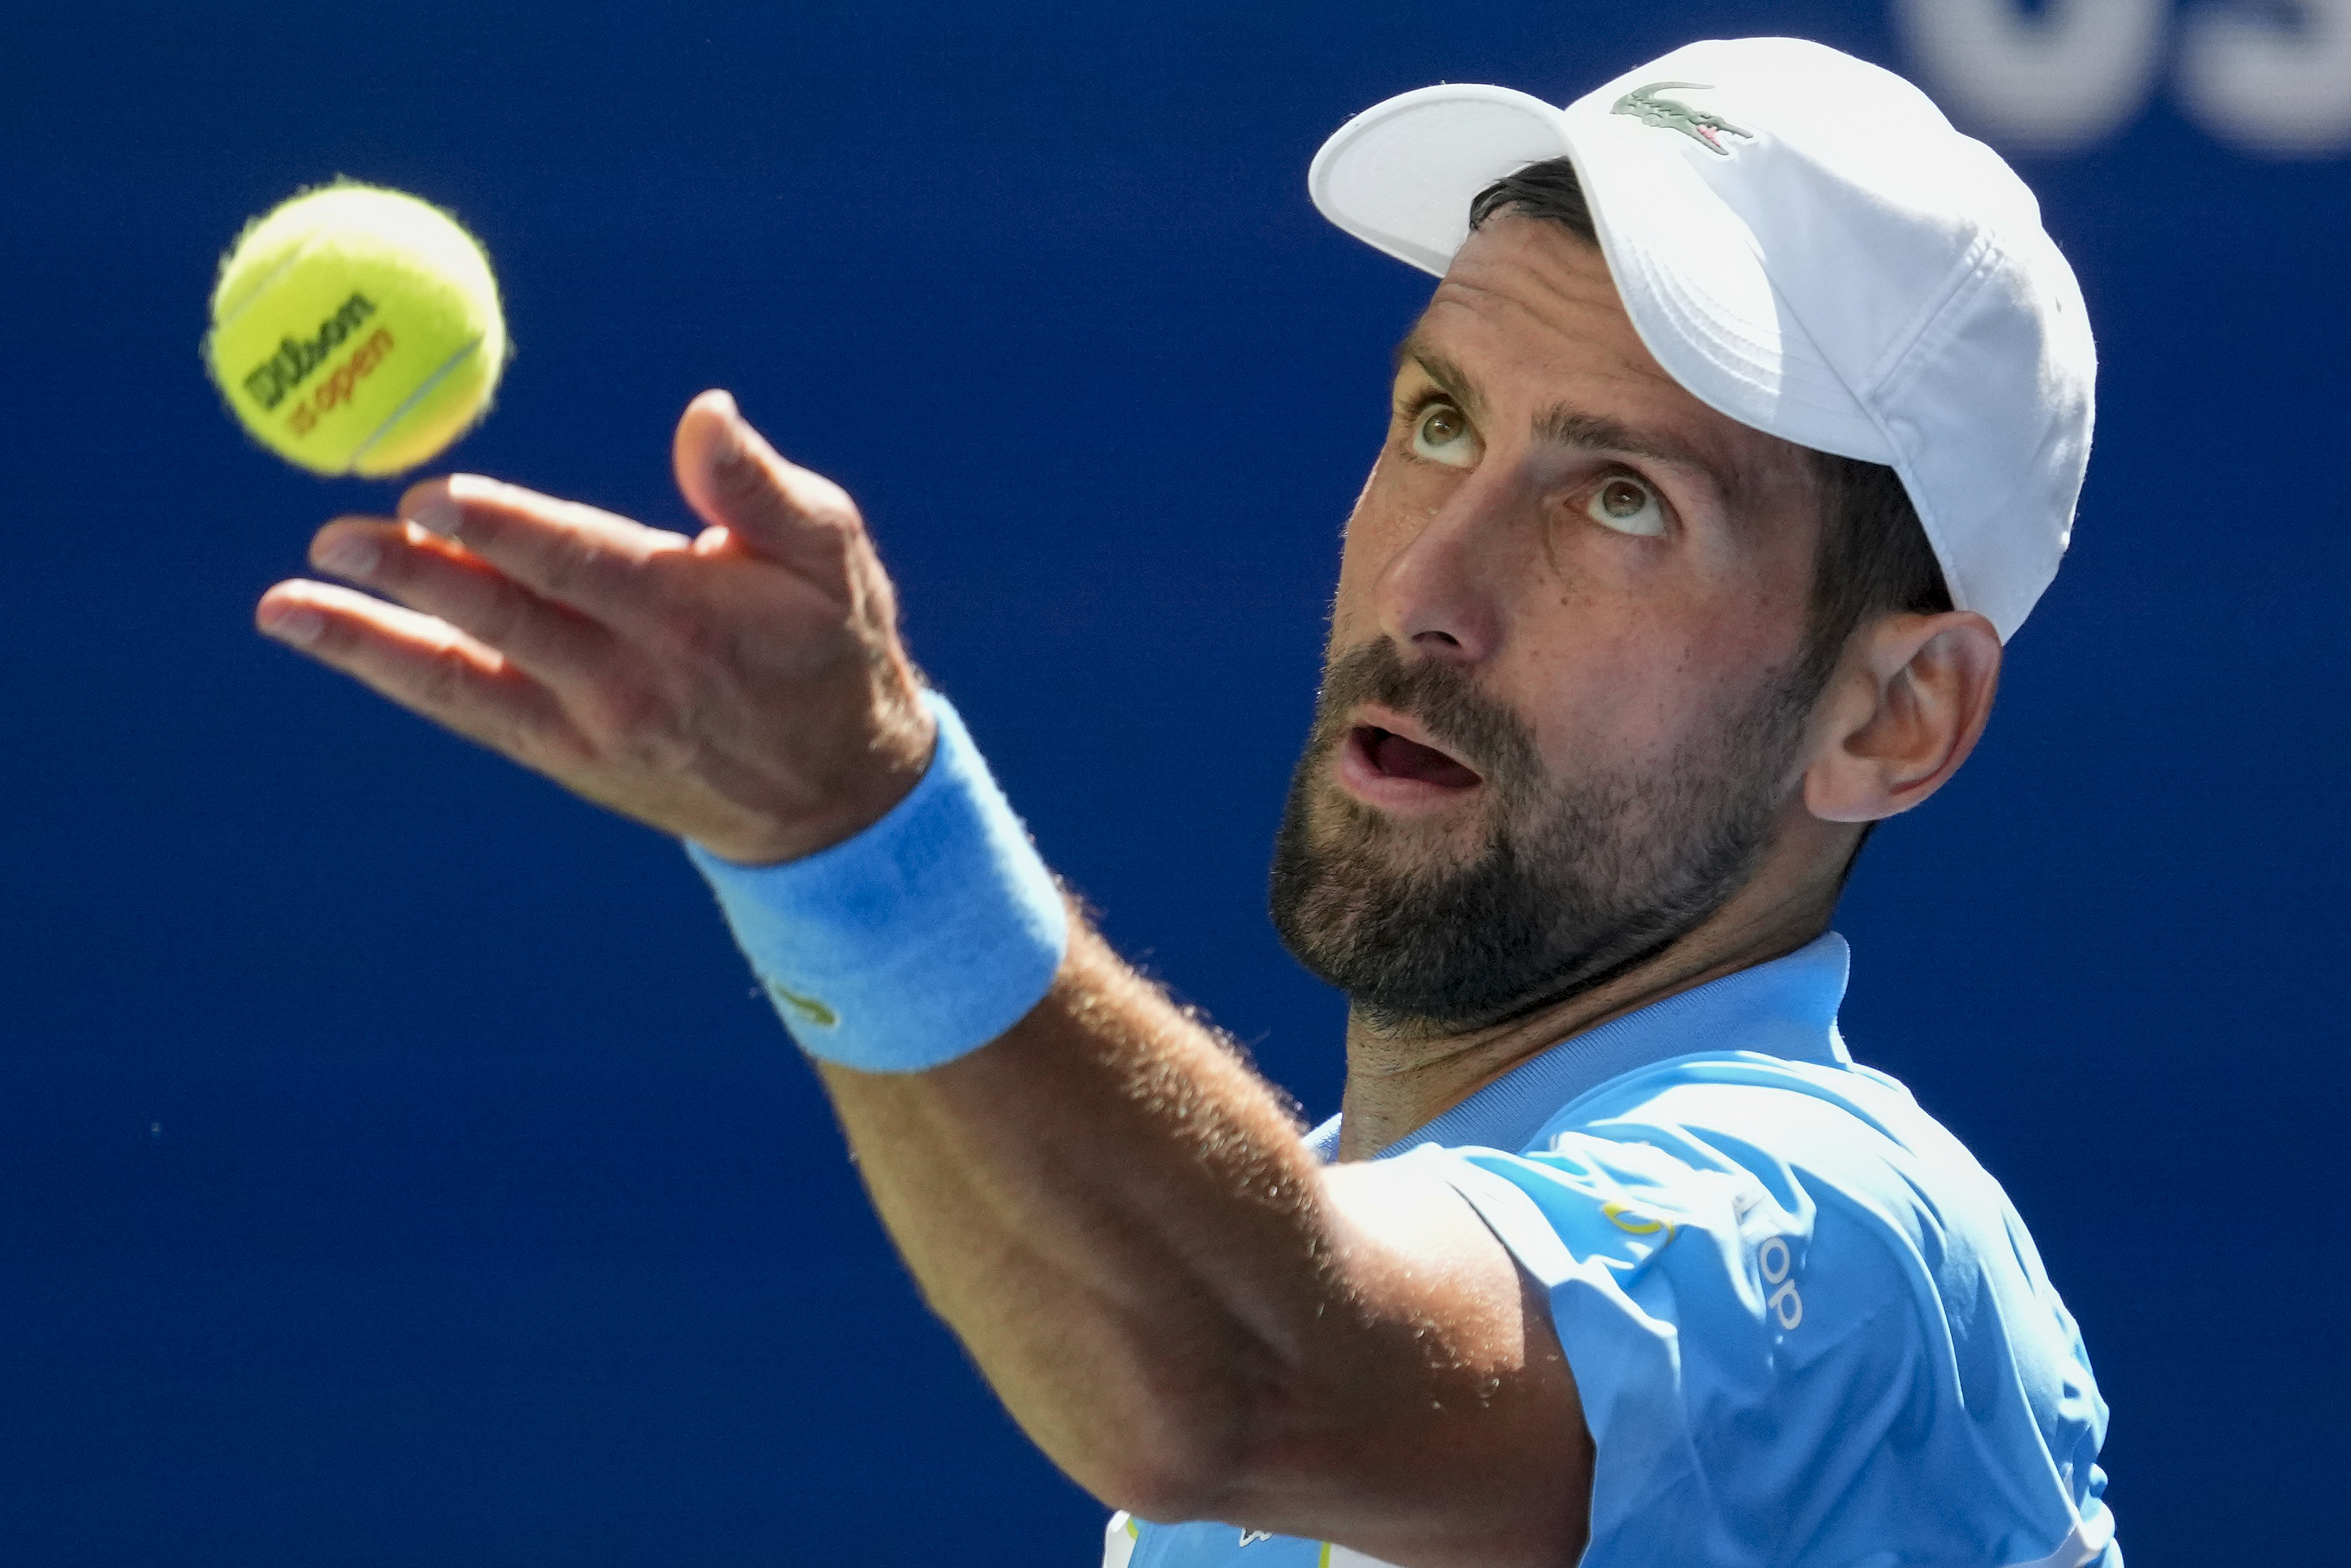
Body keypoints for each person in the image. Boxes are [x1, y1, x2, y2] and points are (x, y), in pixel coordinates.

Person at [254, 36, 2113, 1568]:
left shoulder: (1855, 1251)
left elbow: (1244, 1378)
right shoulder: (1307, 1268)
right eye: (1440, 423)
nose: (1427, 588)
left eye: (1622, 500)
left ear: (1894, 715)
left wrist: (854, 832)